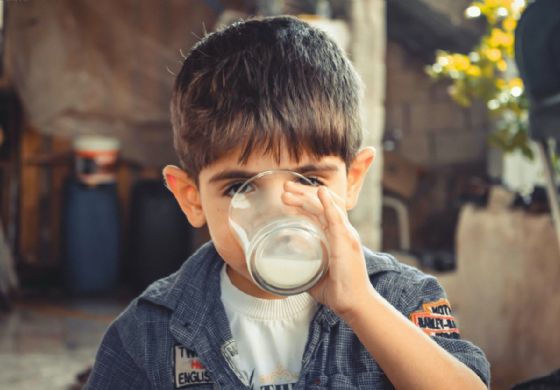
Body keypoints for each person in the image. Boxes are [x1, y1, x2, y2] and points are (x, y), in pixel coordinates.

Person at [85, 16, 490, 389]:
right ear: (191, 198)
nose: (278, 210)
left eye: (309, 180)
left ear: (352, 181)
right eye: (239, 187)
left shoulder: (402, 299)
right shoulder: (148, 332)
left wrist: (362, 306)